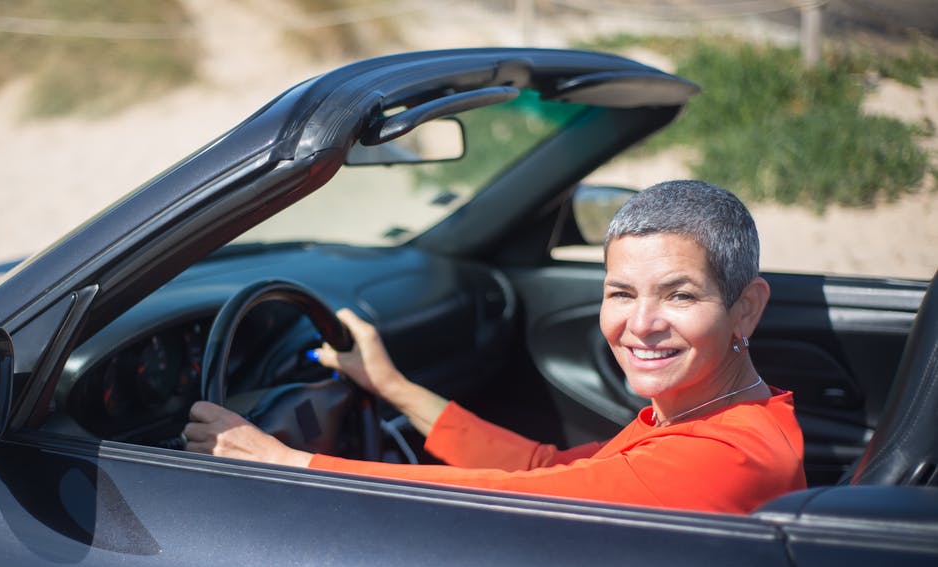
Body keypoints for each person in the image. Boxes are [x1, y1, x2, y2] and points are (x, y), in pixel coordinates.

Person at [182, 180, 806, 514]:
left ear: (745, 306)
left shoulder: (727, 456)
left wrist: (287, 464)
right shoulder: (709, 415)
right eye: (620, 293)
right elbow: (545, 470)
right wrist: (392, 387)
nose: (640, 325)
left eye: (679, 296)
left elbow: (503, 502)